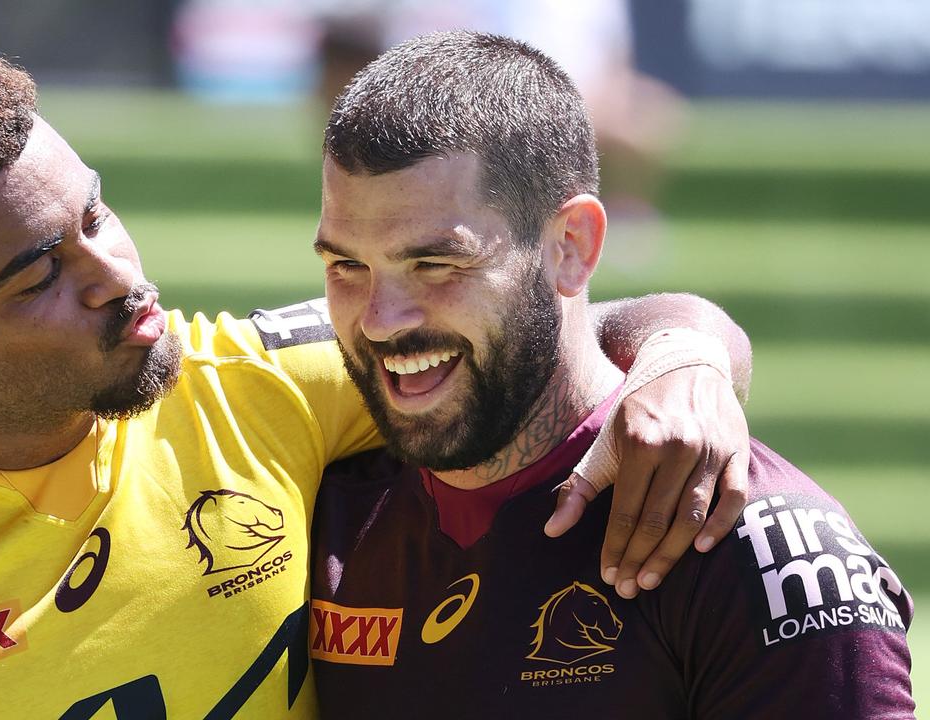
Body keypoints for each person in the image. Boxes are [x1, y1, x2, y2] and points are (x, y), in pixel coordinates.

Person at [0, 40, 752, 719]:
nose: (117, 274)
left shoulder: (256, 384)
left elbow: (563, 324)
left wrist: (688, 355)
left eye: (94, 215)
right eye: (39, 273)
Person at [308, 31, 914, 718]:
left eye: (436, 264)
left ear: (572, 247)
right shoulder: (315, 492)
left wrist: (692, 344)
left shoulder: (753, 551)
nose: (381, 320)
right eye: (345, 266)